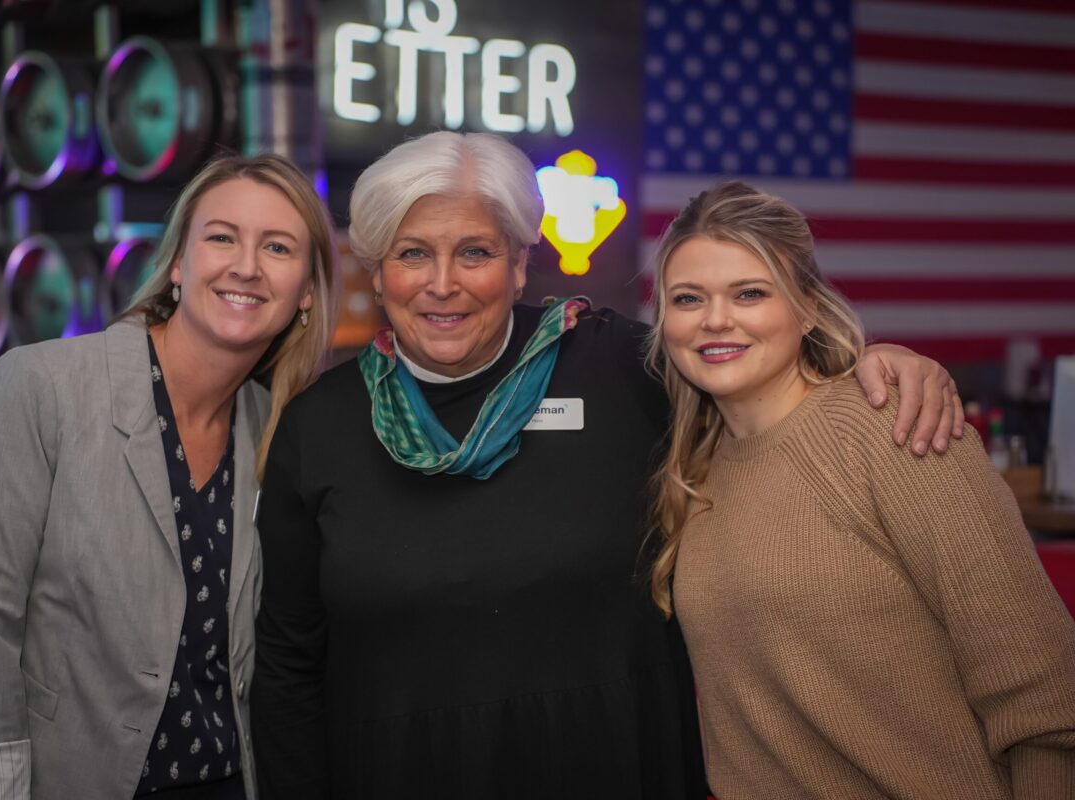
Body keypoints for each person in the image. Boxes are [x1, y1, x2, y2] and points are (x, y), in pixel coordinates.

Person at [250, 132, 964, 799]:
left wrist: (865, 364)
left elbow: (768, 384)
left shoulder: (626, 369)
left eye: (475, 252)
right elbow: (286, 667)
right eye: (412, 255)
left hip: (620, 766)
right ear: (375, 273)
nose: (444, 283)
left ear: (522, 261)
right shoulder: (319, 427)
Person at [0, 153, 338, 800]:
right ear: (178, 262)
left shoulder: (279, 431)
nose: (246, 265)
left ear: (306, 290)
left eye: (277, 247)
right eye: (221, 236)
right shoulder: (42, 387)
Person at [648, 181, 1075, 799]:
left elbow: (1043, 691)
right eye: (688, 298)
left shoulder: (895, 426)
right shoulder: (693, 465)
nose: (716, 319)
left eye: (750, 292)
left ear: (808, 307)